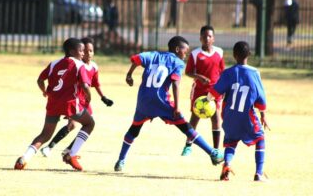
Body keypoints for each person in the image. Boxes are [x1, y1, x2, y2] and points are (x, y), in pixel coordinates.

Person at [113, 36, 224, 172]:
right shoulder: (177, 62)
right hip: (161, 102)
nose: (186, 54)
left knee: (134, 130)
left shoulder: (152, 55)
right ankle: (212, 153)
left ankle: (121, 160)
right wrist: (177, 107)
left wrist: (129, 74)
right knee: (185, 127)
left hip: (144, 101)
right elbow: (175, 84)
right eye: (185, 51)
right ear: (177, 49)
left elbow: (137, 59)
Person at [14, 38, 95, 171]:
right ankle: (72, 154)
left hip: (53, 102)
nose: (83, 53)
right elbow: (85, 86)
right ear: (71, 51)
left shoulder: (54, 63)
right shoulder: (79, 65)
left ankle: (25, 158)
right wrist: (88, 99)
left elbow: (40, 79)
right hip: (70, 103)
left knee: (45, 134)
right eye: (80, 50)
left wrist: (45, 91)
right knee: (89, 123)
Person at [40, 37, 114, 157]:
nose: (88, 53)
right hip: (75, 98)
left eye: (91, 51)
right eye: (85, 51)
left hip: (85, 100)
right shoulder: (77, 65)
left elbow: (96, 84)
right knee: (74, 125)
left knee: (87, 125)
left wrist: (103, 97)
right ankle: (50, 147)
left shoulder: (94, 67)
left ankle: (68, 150)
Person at [207, 41, 270, 181]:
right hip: (247, 116)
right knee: (260, 139)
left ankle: (227, 165)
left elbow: (215, 92)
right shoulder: (254, 73)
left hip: (229, 117)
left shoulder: (228, 72)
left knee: (231, 142)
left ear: (234, 55)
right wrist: (263, 115)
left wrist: (206, 100)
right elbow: (261, 98)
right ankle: (259, 173)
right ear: (249, 54)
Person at [181, 25, 225, 156]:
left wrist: (223, 88)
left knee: (216, 118)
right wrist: (199, 77)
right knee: (195, 118)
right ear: (200, 38)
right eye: (204, 36)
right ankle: (188, 145)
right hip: (199, 91)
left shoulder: (219, 52)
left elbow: (222, 71)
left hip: (215, 91)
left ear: (214, 38)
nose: (207, 38)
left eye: (210, 36)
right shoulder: (195, 54)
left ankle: (216, 150)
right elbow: (188, 72)